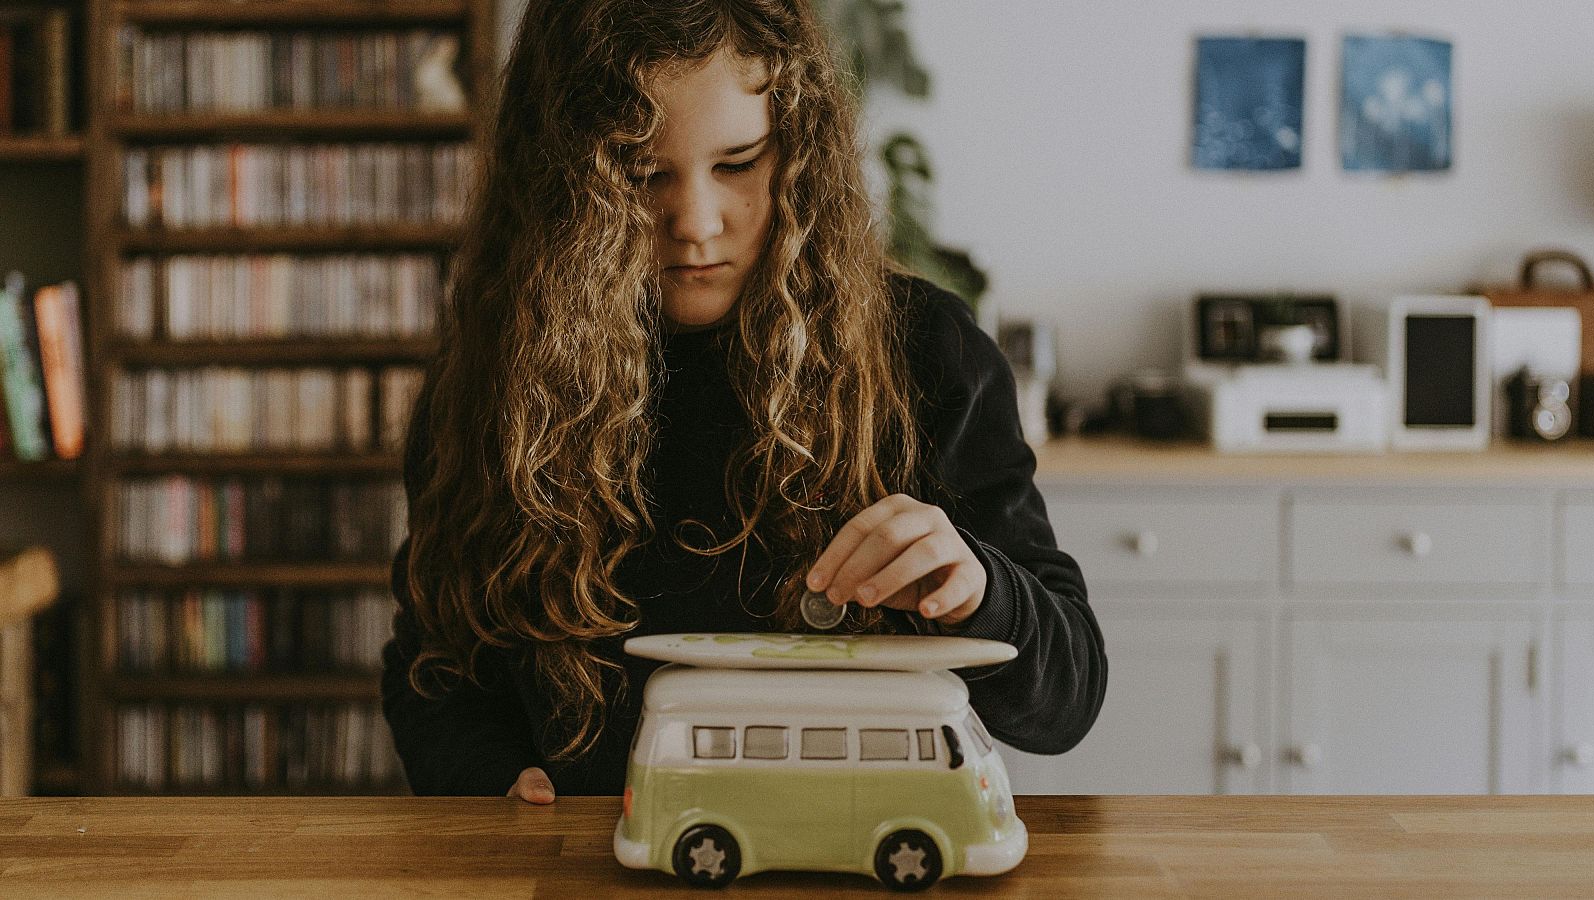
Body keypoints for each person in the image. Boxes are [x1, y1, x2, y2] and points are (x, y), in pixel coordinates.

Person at [381, 0, 1107, 804]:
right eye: (642, 173)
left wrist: (978, 592)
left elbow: (1067, 700)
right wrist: (487, 779)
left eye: (738, 164)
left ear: (799, 151)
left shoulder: (927, 352)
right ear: (561, 180)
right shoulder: (497, 376)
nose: (695, 223)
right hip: (586, 856)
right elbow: (435, 667)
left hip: (861, 848)